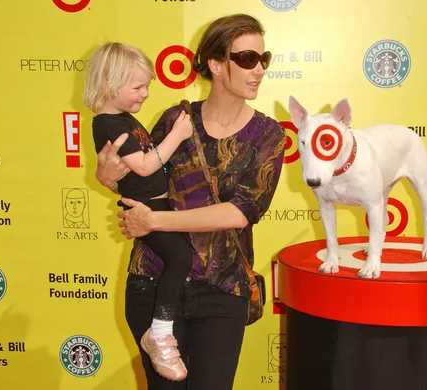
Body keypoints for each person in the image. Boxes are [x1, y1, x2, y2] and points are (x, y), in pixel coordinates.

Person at [95, 14, 286, 390]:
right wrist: (108, 179)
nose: (258, 69)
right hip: (152, 280)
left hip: (222, 289)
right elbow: (144, 183)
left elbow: (240, 212)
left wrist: (155, 223)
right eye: (247, 59)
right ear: (216, 64)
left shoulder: (268, 135)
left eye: (263, 60)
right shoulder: (174, 120)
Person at [83, 42, 194, 381]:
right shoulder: (107, 122)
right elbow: (145, 166)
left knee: (181, 259)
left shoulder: (123, 119)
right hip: (147, 208)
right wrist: (177, 135)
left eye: (147, 86)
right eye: (138, 87)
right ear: (108, 84)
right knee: (180, 259)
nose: (145, 94)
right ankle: (159, 332)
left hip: (157, 204)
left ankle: (161, 331)